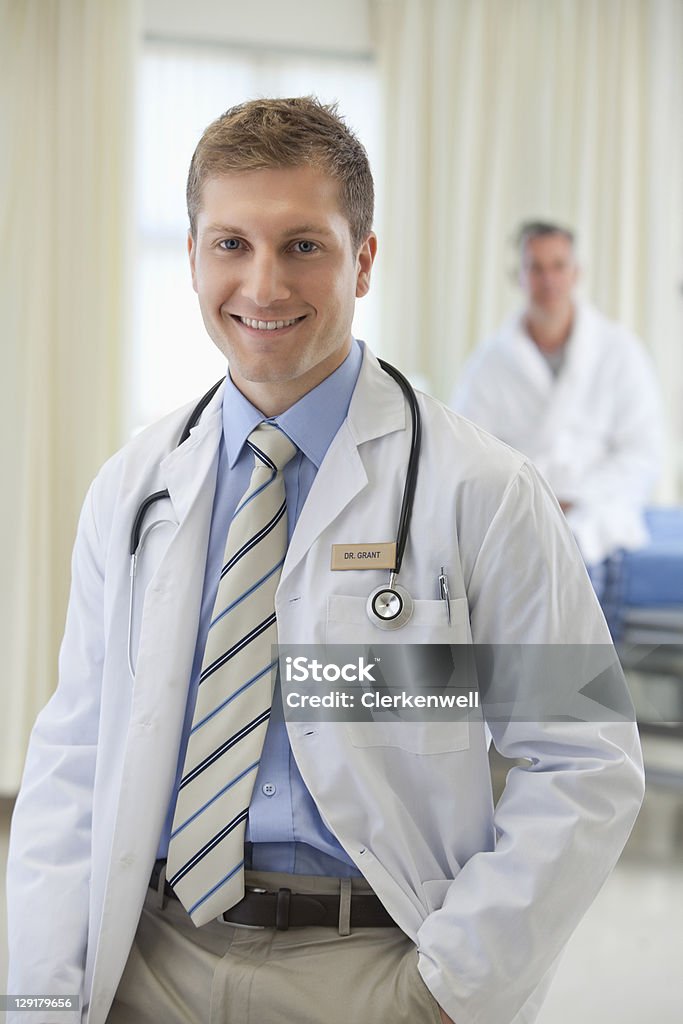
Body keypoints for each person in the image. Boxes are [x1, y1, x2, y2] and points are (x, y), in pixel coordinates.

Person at [7, 100, 644, 1024]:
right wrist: (36, 996)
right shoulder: (134, 489)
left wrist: (444, 991)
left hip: (371, 971)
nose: (262, 286)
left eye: (303, 245)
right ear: (191, 256)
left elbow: (586, 756)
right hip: (143, 960)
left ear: (364, 260)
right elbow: (74, 756)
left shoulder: (483, 489)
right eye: (230, 243)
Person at [451, 221, 663, 584]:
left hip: (598, 507)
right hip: (520, 508)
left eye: (558, 266)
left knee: (577, 552)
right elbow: (467, 454)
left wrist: (577, 498)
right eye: (535, 267)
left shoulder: (620, 351)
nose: (548, 279)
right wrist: (535, 501)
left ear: (576, 272)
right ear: (518, 277)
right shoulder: (489, 363)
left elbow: (643, 452)